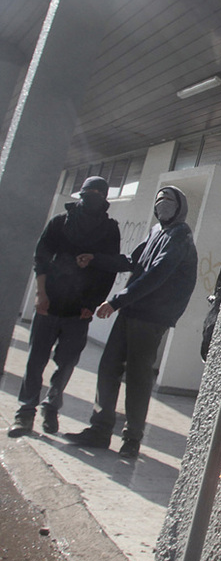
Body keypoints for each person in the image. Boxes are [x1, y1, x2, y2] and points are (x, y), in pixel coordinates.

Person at [65, 187, 197, 459]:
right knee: (108, 368)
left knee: (137, 378)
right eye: (159, 200)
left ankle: (132, 439)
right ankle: (100, 430)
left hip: (150, 318)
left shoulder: (180, 237)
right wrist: (97, 259)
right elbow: (134, 262)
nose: (162, 205)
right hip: (131, 312)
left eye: (169, 201)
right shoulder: (155, 232)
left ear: (180, 207)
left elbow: (156, 274)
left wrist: (116, 302)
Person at [7, 177, 120, 438]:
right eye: (88, 192)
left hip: (78, 311)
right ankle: (25, 413)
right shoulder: (60, 222)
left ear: (105, 198)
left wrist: (91, 305)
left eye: (97, 193)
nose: (91, 197)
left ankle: (51, 406)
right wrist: (40, 294)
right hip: (49, 304)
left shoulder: (109, 229)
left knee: (67, 363)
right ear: (80, 194)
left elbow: (109, 270)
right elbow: (41, 259)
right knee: (36, 360)